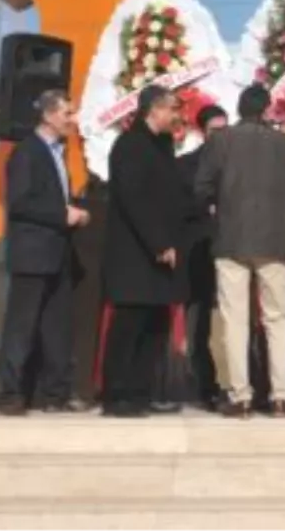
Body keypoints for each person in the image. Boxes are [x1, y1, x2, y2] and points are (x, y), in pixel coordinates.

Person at [196, 84, 285, 418]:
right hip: (275, 242)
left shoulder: (220, 141)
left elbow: (201, 188)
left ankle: (241, 397)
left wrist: (218, 209)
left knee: (235, 321)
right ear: (266, 110)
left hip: (231, 241)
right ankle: (280, 396)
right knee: (277, 319)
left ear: (239, 108)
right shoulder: (284, 145)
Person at [0, 89, 90, 416]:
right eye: (67, 113)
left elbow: (50, 197)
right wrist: (61, 214)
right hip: (33, 253)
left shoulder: (57, 152)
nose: (72, 119)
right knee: (21, 326)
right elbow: (21, 202)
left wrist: (74, 209)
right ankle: (10, 393)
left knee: (57, 327)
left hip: (57, 252)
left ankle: (56, 393)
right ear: (49, 115)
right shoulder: (27, 152)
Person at [101, 85, 186, 418]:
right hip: (135, 253)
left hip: (161, 255)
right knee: (129, 324)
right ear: (153, 110)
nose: (176, 116)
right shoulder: (130, 145)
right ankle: (116, 394)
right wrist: (159, 243)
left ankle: (140, 391)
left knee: (155, 325)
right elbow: (133, 198)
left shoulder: (163, 146)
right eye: (171, 109)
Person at [175, 103, 229, 408]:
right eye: (214, 131)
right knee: (199, 326)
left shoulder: (239, 164)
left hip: (234, 254)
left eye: (225, 130)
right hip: (199, 256)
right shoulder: (185, 166)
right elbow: (177, 209)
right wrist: (206, 207)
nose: (220, 136)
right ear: (202, 132)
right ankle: (204, 385)